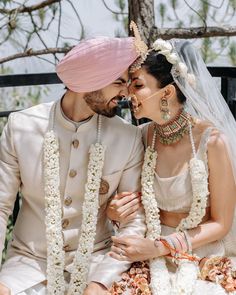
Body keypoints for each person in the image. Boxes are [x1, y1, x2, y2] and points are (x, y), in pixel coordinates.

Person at [0, 35, 147, 295]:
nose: (125, 93)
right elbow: (0, 207)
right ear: (89, 81)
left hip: (98, 264)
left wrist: (101, 282)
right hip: (28, 265)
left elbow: (133, 222)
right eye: (118, 82)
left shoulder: (129, 137)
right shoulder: (21, 127)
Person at [107, 38, 236, 294]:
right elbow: (126, 198)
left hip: (200, 249)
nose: (129, 94)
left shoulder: (212, 142)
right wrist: (113, 211)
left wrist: (162, 246)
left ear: (166, 92)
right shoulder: (141, 136)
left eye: (138, 85)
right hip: (147, 244)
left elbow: (221, 223)